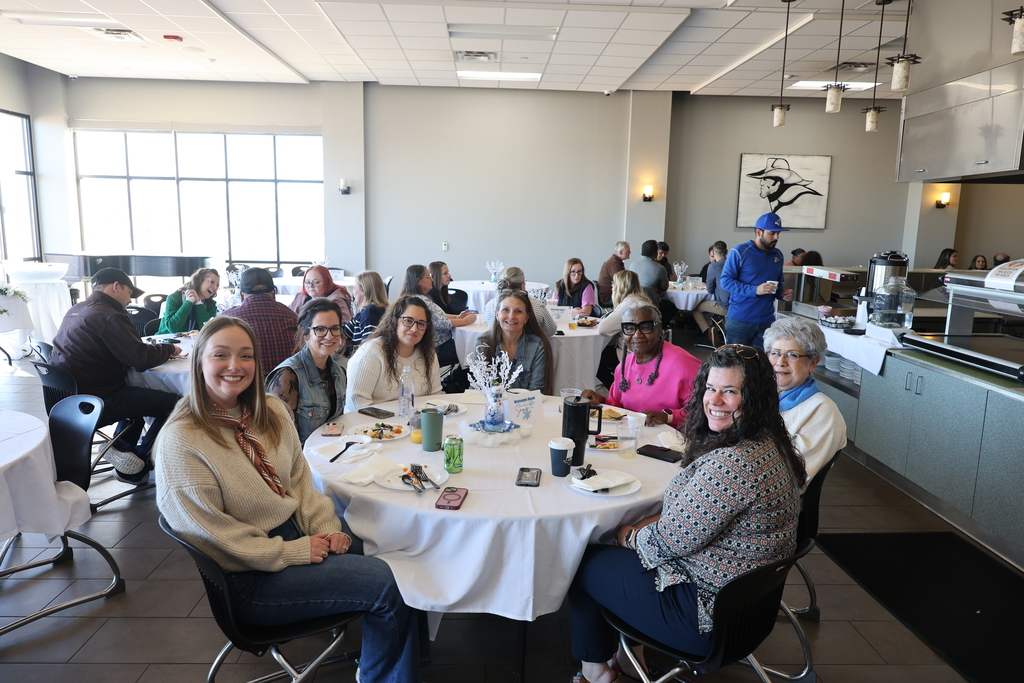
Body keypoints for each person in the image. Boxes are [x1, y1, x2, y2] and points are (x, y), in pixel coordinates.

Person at [155, 317, 422, 682]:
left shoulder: (271, 411)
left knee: (403, 550)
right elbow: (215, 537)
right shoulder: (182, 440)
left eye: (245, 356)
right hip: (250, 576)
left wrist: (326, 529)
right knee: (389, 582)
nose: (235, 366)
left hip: (296, 535)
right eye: (221, 355)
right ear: (199, 360)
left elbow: (299, 483)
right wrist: (294, 551)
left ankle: (408, 668)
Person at [568, 344, 805, 683]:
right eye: (711, 388)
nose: (715, 400)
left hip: (702, 617)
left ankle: (595, 673)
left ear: (754, 399)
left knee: (582, 560)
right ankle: (629, 656)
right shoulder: (771, 443)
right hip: (747, 609)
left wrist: (628, 535)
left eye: (730, 392)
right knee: (628, 559)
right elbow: (689, 527)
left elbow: (662, 545)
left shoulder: (732, 464)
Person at [50, 267, 181, 483]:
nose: (130, 300)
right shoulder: (108, 315)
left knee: (138, 398)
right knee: (178, 405)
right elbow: (141, 359)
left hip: (67, 399)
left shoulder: (77, 309)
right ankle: (140, 461)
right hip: (96, 399)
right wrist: (169, 350)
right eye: (130, 293)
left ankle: (121, 447)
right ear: (116, 287)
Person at [581, 303, 700, 428]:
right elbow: (619, 407)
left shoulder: (683, 365)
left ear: (659, 328)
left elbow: (703, 413)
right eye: (629, 328)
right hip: (632, 436)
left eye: (645, 327)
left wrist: (667, 417)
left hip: (672, 441)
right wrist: (602, 401)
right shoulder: (624, 366)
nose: (637, 334)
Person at [763, 317, 847, 483]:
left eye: (792, 355)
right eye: (775, 353)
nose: (780, 362)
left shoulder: (822, 411)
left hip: (772, 496)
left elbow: (796, 476)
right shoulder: (763, 395)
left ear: (813, 363)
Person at [267, 298, 347, 443]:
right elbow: (282, 440)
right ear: (306, 335)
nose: (329, 336)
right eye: (320, 329)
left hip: (331, 452)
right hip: (303, 460)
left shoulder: (339, 372)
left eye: (335, 328)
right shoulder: (287, 376)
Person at [346, 295, 443, 410]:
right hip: (371, 423)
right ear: (394, 320)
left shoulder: (428, 353)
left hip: (415, 422)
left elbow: (435, 397)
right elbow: (356, 403)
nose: (414, 329)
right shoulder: (371, 352)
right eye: (408, 321)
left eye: (421, 323)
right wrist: (394, 424)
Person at [721, 212, 793, 349]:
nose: (776, 237)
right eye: (772, 233)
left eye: (778, 234)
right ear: (759, 232)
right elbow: (725, 281)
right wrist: (755, 290)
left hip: (767, 320)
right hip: (740, 320)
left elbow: (778, 283)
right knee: (736, 363)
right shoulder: (739, 251)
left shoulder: (777, 255)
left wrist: (782, 294)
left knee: (762, 363)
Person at [474, 290, 553, 394]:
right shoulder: (483, 343)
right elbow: (481, 387)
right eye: (506, 310)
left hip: (525, 407)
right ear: (497, 314)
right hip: (491, 407)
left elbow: (535, 391)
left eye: (519, 311)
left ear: (526, 317)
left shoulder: (537, 345)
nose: (511, 316)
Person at [222, 268, 299, 373]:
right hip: (285, 383)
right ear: (274, 293)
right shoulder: (292, 317)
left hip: (244, 383)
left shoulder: (227, 319)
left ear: (241, 295)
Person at [398, 264, 475, 367]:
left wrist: (457, 317)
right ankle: (456, 379)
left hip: (433, 345)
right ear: (418, 281)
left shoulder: (416, 298)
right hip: (437, 347)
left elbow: (438, 315)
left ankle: (456, 379)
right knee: (471, 351)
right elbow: (441, 322)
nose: (432, 279)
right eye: (428, 277)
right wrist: (465, 321)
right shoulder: (420, 301)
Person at [596, 271, 650, 389]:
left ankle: (617, 390)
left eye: (614, 283)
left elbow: (602, 329)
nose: (612, 286)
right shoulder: (643, 301)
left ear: (621, 286)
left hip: (630, 353)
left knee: (594, 359)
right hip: (647, 351)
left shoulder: (627, 305)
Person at [483, 267, 556, 336]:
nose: (511, 316)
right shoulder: (537, 305)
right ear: (522, 286)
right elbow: (551, 330)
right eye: (505, 310)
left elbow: (491, 331)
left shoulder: (490, 304)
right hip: (530, 347)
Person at [156, 267, 220, 334]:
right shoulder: (174, 298)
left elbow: (208, 330)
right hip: (165, 341)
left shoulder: (211, 304)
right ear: (199, 280)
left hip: (192, 342)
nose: (215, 287)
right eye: (212, 282)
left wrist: (198, 303)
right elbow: (173, 328)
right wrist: (188, 302)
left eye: (217, 285)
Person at [289, 266, 353, 325]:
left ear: (327, 282)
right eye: (307, 282)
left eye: (316, 282)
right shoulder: (301, 297)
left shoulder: (337, 301)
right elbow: (289, 316)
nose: (311, 286)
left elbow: (344, 327)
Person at [345, 270, 389, 356]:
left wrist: (343, 349)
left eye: (354, 288)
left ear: (364, 290)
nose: (352, 293)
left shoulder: (370, 313)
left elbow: (368, 348)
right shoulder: (366, 311)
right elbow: (345, 332)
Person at [691, 241, 729, 339]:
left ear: (713, 252)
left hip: (724, 306)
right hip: (738, 305)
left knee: (695, 307)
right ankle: (718, 330)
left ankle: (708, 331)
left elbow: (710, 290)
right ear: (727, 251)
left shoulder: (713, 266)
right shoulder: (734, 265)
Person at [629, 240, 672, 323]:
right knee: (672, 307)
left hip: (633, 302)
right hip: (651, 303)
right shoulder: (659, 268)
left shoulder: (632, 265)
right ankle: (660, 326)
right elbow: (665, 288)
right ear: (653, 253)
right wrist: (657, 289)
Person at [597, 241, 630, 306]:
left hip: (611, 294)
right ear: (621, 252)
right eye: (628, 251)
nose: (630, 252)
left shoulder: (615, 261)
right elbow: (622, 282)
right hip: (608, 297)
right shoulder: (614, 264)